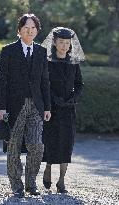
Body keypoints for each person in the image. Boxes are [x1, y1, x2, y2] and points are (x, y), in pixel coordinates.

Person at [0, 13, 51, 197]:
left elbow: (45, 81)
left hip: (36, 105)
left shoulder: (42, 52)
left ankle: (31, 181)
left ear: (37, 30)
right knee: (14, 146)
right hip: (13, 106)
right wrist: (0, 107)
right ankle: (16, 184)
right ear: (19, 30)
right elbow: (1, 81)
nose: (30, 31)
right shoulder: (8, 51)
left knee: (37, 146)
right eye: (26, 28)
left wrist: (47, 107)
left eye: (33, 28)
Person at [42, 27, 85, 193]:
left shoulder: (73, 62)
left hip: (68, 109)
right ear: (54, 42)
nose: (64, 46)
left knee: (66, 144)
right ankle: (47, 168)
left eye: (67, 43)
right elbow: (43, 84)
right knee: (51, 142)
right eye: (61, 42)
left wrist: (73, 98)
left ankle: (61, 181)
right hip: (51, 109)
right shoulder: (47, 61)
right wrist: (53, 99)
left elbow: (79, 84)